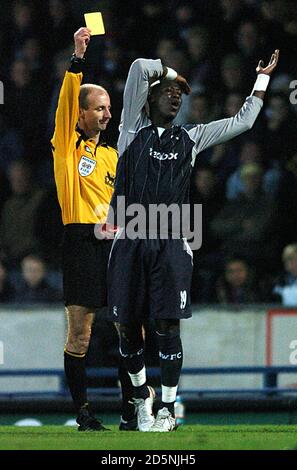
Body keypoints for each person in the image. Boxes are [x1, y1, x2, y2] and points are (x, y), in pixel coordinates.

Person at [108, 49, 279, 432]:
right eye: (168, 91)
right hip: (130, 238)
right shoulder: (130, 130)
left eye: (179, 94)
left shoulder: (192, 137)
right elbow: (138, 67)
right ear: (148, 99)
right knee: (126, 328)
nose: (176, 96)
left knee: (167, 326)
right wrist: (172, 71)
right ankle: (141, 397)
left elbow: (244, 121)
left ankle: (167, 408)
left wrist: (262, 79)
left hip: (170, 242)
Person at [51, 27, 118, 431]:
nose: (107, 114)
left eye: (109, 108)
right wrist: (78, 58)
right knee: (81, 334)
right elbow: (64, 102)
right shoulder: (66, 145)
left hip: (113, 242)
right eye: (99, 109)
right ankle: (83, 412)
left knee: (134, 325)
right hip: (79, 240)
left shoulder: (112, 155)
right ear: (80, 114)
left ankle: (136, 410)